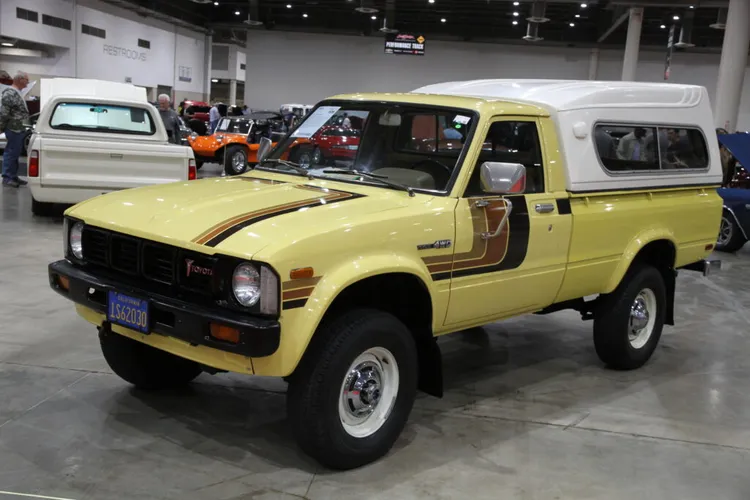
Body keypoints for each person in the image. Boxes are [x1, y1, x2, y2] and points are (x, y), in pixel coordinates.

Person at [0, 71, 30, 188]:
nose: (27, 83)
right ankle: (7, 177)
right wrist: (1, 127)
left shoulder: (18, 92)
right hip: (13, 128)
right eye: (26, 80)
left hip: (19, 128)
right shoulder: (9, 93)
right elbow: (4, 112)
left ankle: (13, 175)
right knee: (11, 152)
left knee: (16, 153)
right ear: (20, 80)